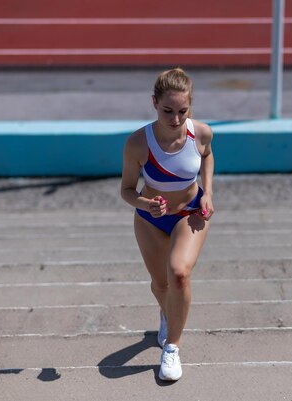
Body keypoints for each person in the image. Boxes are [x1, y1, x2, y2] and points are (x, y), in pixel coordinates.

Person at [120, 68, 214, 381]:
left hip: (190, 213)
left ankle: (172, 347)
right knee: (160, 284)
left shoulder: (200, 133)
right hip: (150, 219)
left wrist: (208, 194)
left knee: (179, 274)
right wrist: (145, 204)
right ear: (154, 103)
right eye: (167, 111)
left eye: (183, 111)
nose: (175, 119)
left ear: (191, 107)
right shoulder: (138, 143)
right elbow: (126, 190)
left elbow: (208, 156)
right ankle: (167, 313)